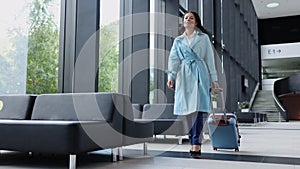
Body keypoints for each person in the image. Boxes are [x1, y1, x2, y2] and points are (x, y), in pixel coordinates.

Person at [167, 11, 222, 158]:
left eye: (191, 18)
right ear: (183, 22)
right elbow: (173, 59)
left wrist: (214, 79)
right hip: (184, 75)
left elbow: (210, 59)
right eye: (186, 18)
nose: (188, 19)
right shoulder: (178, 41)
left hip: (200, 72)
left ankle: (195, 143)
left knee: (199, 108)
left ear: (196, 22)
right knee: (187, 110)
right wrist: (171, 76)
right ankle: (193, 138)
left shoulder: (203, 38)